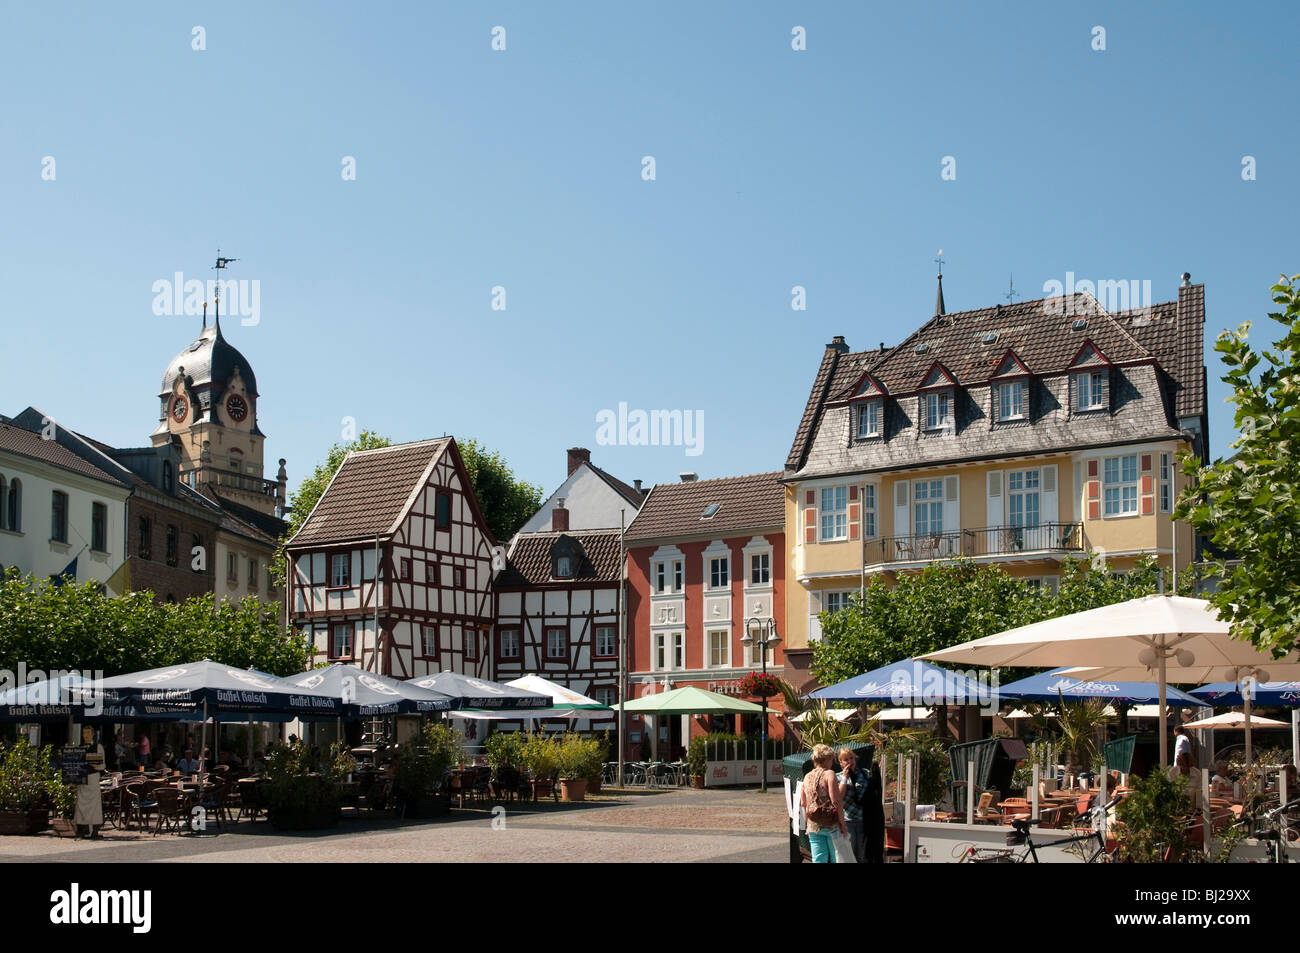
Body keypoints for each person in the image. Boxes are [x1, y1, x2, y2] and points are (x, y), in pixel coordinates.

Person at [798, 744, 847, 863]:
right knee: (836, 857)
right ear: (826, 760)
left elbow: (803, 803)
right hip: (831, 823)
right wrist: (842, 824)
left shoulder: (807, 777)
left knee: (818, 859)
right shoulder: (829, 774)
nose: (832, 762)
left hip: (813, 824)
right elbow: (836, 801)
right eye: (831, 759)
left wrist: (807, 824)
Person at [73, 726, 106, 838]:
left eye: (88, 733)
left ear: (92, 734)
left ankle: (94, 829)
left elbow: (103, 765)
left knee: (94, 804)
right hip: (82, 779)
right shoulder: (79, 748)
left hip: (93, 778)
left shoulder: (98, 747)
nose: (85, 736)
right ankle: (83, 828)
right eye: (84, 733)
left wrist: (95, 765)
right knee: (81, 804)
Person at [837, 747, 869, 863]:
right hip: (847, 821)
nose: (850, 761)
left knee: (862, 855)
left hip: (863, 820)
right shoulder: (837, 777)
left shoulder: (865, 773)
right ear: (841, 762)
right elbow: (838, 797)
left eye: (851, 758)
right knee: (849, 855)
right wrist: (845, 778)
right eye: (846, 759)